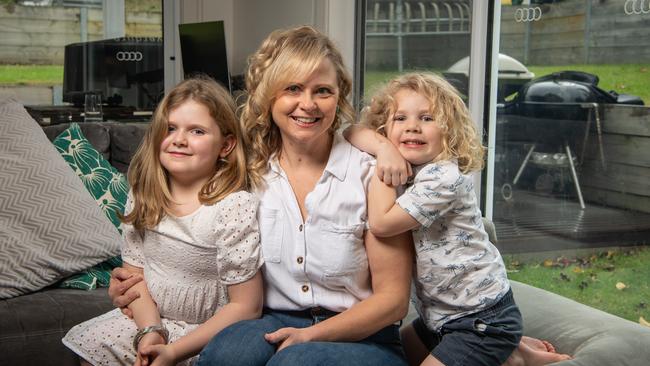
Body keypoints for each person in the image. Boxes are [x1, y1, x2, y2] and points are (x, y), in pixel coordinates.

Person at [110, 25, 413, 366]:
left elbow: (394, 301)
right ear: (270, 96)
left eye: (323, 91)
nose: (307, 104)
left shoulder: (370, 174)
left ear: (339, 97)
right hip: (271, 321)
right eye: (293, 88)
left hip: (364, 336)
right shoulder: (248, 171)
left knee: (293, 363)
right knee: (224, 357)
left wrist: (308, 337)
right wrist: (135, 282)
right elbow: (181, 213)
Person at [62, 76, 264, 366]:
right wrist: (150, 333)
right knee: (91, 348)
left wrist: (173, 351)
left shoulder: (233, 206)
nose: (179, 139)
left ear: (226, 145)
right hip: (150, 319)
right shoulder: (144, 193)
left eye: (197, 131)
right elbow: (134, 280)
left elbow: (246, 306)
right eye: (170, 128)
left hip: (208, 331)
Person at [345, 72, 523, 366]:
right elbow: (348, 132)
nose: (412, 127)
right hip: (439, 318)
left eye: (427, 118)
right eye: (400, 118)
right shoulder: (407, 166)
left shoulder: (444, 178)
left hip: (480, 318)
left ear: (449, 131)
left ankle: (509, 350)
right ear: (383, 127)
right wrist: (383, 147)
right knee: (397, 354)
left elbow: (382, 224)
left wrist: (381, 165)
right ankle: (517, 354)